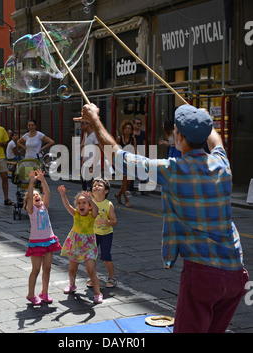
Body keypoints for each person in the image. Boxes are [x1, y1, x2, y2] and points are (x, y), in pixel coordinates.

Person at [76, 103, 249, 333]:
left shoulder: (172, 169)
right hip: (236, 272)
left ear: (179, 137)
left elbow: (119, 157)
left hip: (203, 275)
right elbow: (216, 141)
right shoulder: (221, 163)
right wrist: (204, 119)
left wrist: (95, 120)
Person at [58, 185, 103, 304]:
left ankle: (98, 293)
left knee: (91, 269)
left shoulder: (91, 216)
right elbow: (67, 205)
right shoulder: (76, 214)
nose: (81, 205)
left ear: (89, 206)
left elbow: (96, 210)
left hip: (88, 246)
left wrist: (91, 201)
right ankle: (72, 284)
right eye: (79, 203)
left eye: (84, 203)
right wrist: (63, 195)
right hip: (76, 245)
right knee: (72, 269)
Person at [23, 169, 61, 305]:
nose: (36, 196)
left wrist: (43, 180)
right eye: (33, 196)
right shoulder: (31, 210)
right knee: (36, 269)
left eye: (38, 194)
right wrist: (31, 183)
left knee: (47, 268)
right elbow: (29, 197)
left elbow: (48, 193)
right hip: (37, 243)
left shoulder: (44, 206)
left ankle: (44, 292)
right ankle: (31, 294)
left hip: (49, 240)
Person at [91, 178, 117, 288]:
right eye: (94, 185)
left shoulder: (108, 204)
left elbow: (114, 221)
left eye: (99, 185)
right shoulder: (90, 203)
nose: (96, 187)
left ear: (106, 191)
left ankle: (112, 277)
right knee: (91, 257)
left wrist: (105, 222)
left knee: (106, 256)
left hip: (106, 234)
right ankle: (92, 277)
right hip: (93, 234)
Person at [115, 120, 136, 207]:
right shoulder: (120, 138)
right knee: (124, 182)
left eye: (129, 128)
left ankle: (118, 194)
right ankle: (127, 200)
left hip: (130, 162)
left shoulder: (133, 139)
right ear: (123, 129)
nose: (127, 130)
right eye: (126, 128)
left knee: (128, 183)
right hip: (121, 162)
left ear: (131, 130)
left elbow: (135, 150)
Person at [80, 121, 101, 191]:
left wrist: (93, 166)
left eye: (82, 123)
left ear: (88, 124)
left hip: (93, 165)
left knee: (92, 189)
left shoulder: (95, 135)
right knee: (85, 187)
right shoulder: (86, 135)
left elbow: (98, 151)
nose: (80, 125)